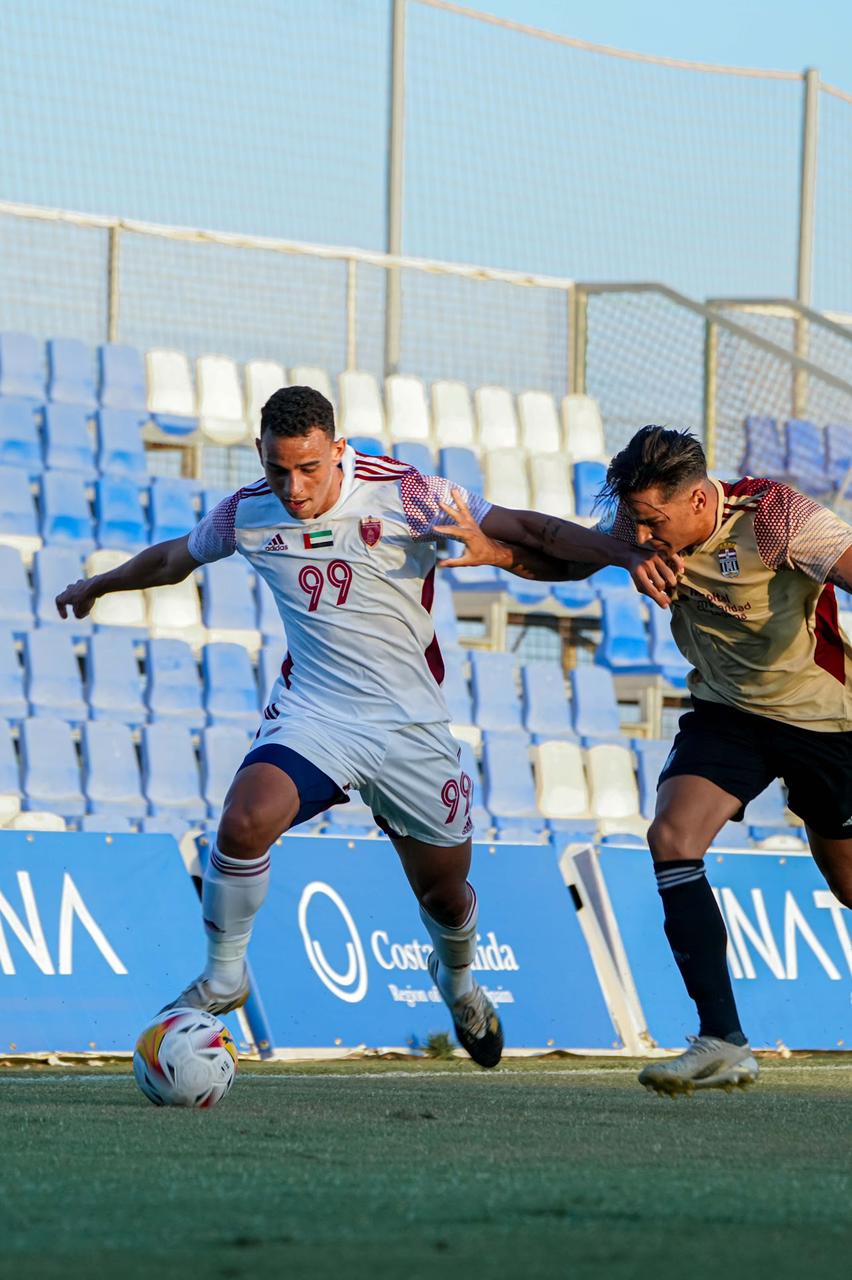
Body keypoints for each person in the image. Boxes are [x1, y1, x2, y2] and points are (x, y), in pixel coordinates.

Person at [55, 388, 675, 1068]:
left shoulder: (405, 494)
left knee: (443, 892)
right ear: (260, 457)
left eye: (309, 468)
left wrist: (625, 556)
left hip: (411, 728)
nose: (293, 487)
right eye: (277, 469)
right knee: (242, 822)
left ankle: (459, 982)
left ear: (338, 450)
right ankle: (224, 975)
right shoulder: (246, 514)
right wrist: (98, 586)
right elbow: (175, 558)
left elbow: (531, 533)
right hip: (316, 715)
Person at [437, 424, 852, 1093]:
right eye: (634, 519)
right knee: (671, 837)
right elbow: (563, 553)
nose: (641, 533)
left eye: (654, 520)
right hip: (730, 715)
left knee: (848, 885)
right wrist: (494, 551)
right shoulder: (642, 529)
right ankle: (723, 1039)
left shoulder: (780, 519)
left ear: (696, 503)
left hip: (826, 719)